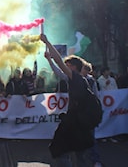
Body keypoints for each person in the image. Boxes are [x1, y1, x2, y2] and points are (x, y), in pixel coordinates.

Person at [40, 33, 95, 167]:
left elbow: (59, 62)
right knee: (79, 155)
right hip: (82, 123)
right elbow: (58, 71)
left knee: (60, 150)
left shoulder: (76, 79)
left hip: (77, 123)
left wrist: (47, 42)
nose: (65, 68)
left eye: (68, 66)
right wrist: (49, 61)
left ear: (74, 67)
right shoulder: (78, 81)